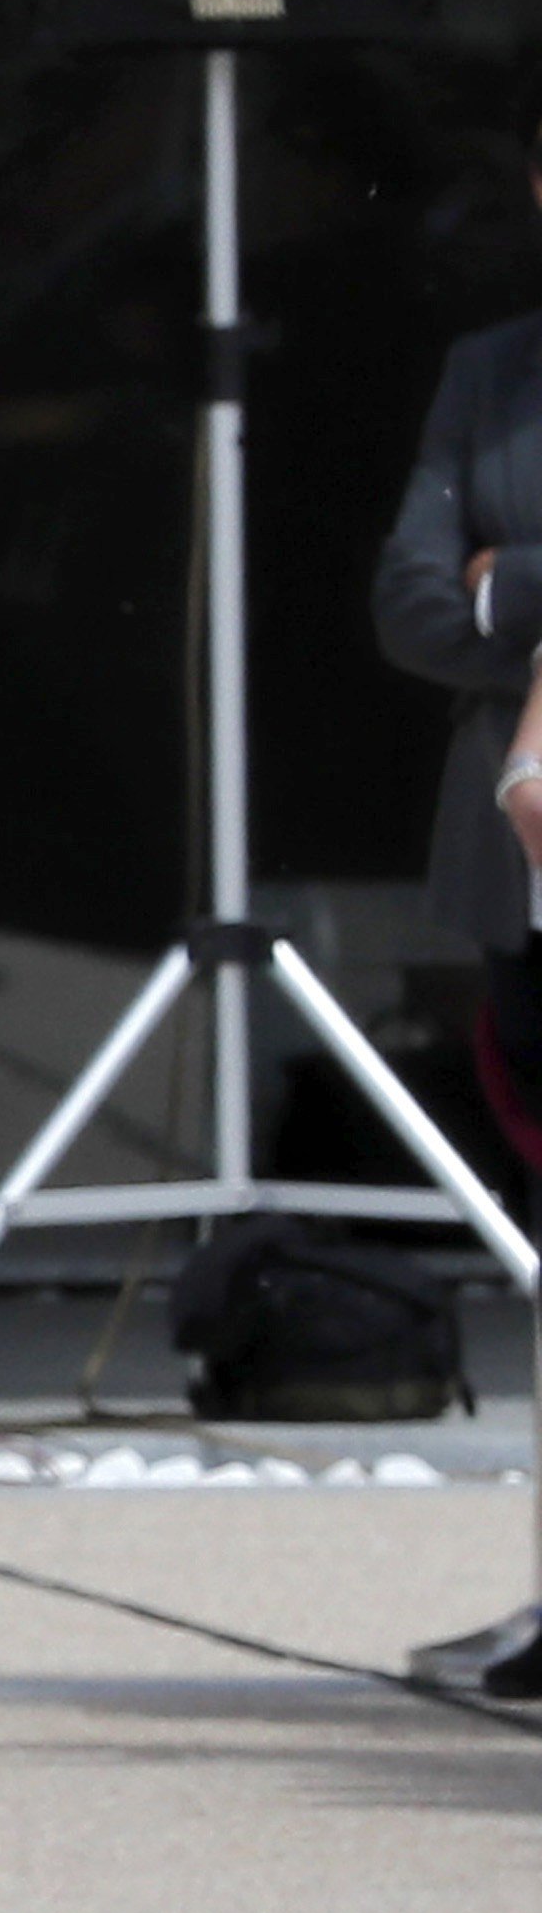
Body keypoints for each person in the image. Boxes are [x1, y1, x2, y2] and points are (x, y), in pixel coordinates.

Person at [369, 86, 542, 1700]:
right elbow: (415, 608)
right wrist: (487, 592)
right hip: (529, 862)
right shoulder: (491, 372)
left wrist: (522, 579)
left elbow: (482, 593)